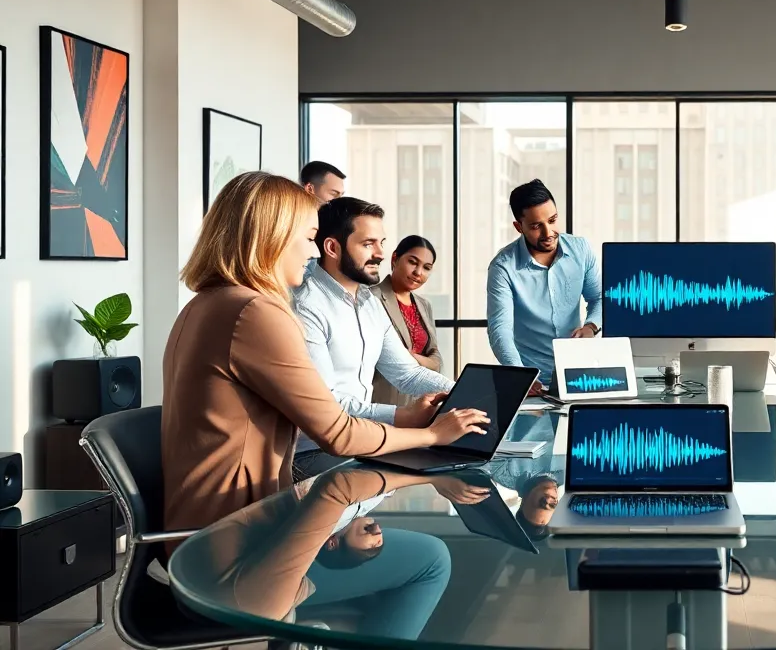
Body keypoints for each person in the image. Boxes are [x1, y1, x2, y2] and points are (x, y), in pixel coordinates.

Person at [162, 172, 489, 536]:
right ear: (272, 238)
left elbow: (404, 373)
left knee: (429, 533)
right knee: (437, 549)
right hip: (239, 535)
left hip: (218, 521)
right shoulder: (258, 311)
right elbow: (336, 430)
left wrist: (460, 398)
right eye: (307, 238)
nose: (312, 251)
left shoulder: (208, 303)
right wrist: (429, 433)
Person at [291, 198, 460, 480]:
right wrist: (400, 416)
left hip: (363, 444)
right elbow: (328, 405)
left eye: (381, 242)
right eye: (368, 244)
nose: (381, 254)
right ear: (333, 247)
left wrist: (463, 393)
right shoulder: (306, 306)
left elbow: (406, 373)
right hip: (315, 454)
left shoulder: (369, 303)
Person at [487, 180, 602, 389]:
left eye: (552, 220)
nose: (548, 232)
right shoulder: (502, 267)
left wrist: (591, 326)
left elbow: (599, 298)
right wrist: (520, 375)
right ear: (518, 227)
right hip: (531, 378)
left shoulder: (581, 250)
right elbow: (499, 329)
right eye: (536, 226)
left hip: (577, 373)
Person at [371, 236, 444, 408]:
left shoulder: (424, 305)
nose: (418, 272)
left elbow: (437, 359)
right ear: (395, 259)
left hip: (421, 403)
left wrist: (411, 357)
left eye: (426, 268)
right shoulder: (370, 298)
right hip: (382, 400)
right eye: (413, 262)